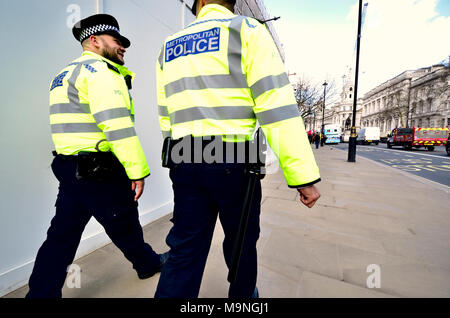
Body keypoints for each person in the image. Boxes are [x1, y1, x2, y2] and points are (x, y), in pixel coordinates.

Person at [154, 0, 321, 298]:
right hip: (233, 162)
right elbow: (276, 107)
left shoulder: (169, 45)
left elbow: (166, 112)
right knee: (241, 244)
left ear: (201, 2)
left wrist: (175, 155)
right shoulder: (246, 30)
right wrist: (302, 176)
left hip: (185, 160)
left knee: (183, 249)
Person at [26, 14, 168, 298]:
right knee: (124, 222)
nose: (123, 47)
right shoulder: (102, 72)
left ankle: (40, 294)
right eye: (117, 41)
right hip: (99, 170)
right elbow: (117, 125)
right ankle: (147, 263)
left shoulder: (63, 75)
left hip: (69, 168)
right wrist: (136, 171)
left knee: (61, 236)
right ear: (94, 40)